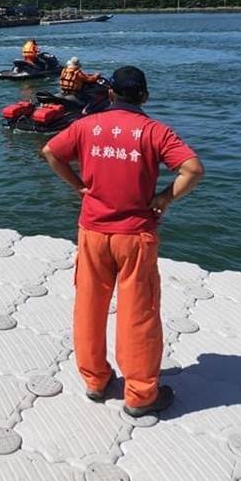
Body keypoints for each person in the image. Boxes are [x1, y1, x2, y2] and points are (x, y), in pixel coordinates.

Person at [42, 65, 204, 417]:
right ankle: (141, 395)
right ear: (144, 96)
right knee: (138, 313)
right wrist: (163, 199)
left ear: (111, 94)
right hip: (135, 236)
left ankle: (95, 381)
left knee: (89, 305)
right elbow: (193, 169)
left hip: (92, 233)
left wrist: (78, 186)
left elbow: (51, 153)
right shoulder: (155, 132)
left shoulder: (85, 126)